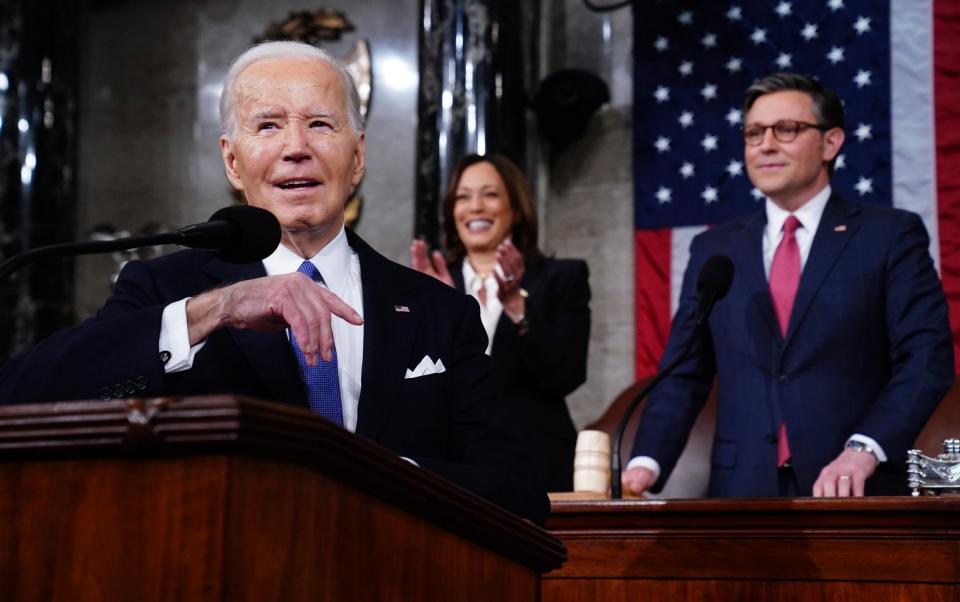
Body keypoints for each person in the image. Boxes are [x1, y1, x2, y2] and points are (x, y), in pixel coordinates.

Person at [0, 41, 549, 523]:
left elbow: (520, 488)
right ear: (233, 162)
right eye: (268, 125)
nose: (295, 148)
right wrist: (212, 311)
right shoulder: (166, 289)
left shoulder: (437, 311)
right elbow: (22, 398)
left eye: (319, 124)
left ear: (356, 157)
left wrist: (388, 477)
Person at [622, 72, 954, 498]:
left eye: (786, 129)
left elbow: (927, 359)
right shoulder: (715, 250)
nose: (765, 145)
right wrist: (646, 463)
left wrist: (865, 449)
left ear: (831, 143)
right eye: (754, 133)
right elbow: (684, 373)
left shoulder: (888, 236)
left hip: (856, 487)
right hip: (742, 493)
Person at [410, 154, 590, 491]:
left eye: (490, 194)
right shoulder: (429, 286)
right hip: (452, 467)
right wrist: (443, 314)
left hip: (537, 466)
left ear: (516, 209)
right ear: (452, 212)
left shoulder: (561, 278)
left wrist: (516, 307)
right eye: (463, 197)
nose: (475, 206)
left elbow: (565, 375)